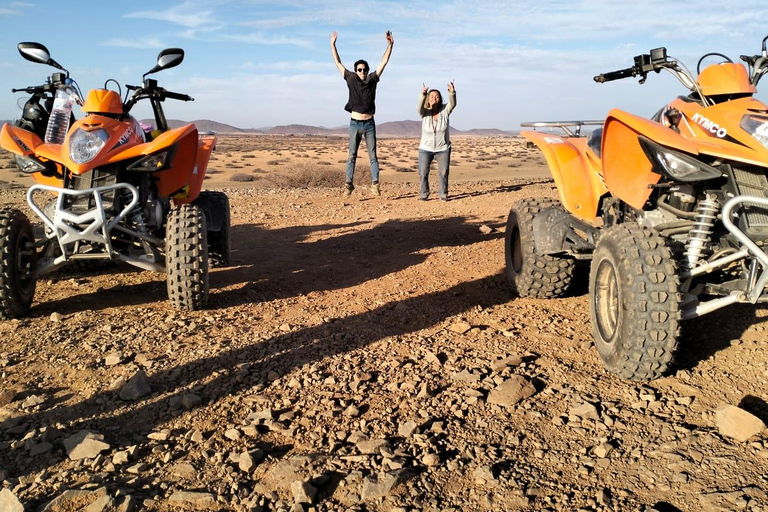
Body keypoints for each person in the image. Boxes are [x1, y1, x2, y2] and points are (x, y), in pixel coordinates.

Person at [330, 30, 394, 197]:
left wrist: (390, 44)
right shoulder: (350, 78)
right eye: (359, 69)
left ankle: (375, 185)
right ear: (355, 70)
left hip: (369, 124)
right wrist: (333, 44)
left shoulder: (373, 79)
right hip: (354, 123)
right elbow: (337, 62)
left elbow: (384, 62)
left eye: (365, 69)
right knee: (351, 155)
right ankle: (348, 185)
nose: (362, 72)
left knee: (373, 155)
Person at [417, 80, 456, 201]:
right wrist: (423, 94)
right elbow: (419, 107)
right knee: (423, 172)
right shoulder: (424, 112)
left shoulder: (445, 110)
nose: (434, 98)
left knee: (444, 172)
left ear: (440, 99)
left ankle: (443, 194)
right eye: (432, 96)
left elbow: (453, 104)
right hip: (425, 148)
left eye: (437, 96)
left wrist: (452, 92)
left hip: (443, 148)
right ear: (428, 99)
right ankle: (424, 194)